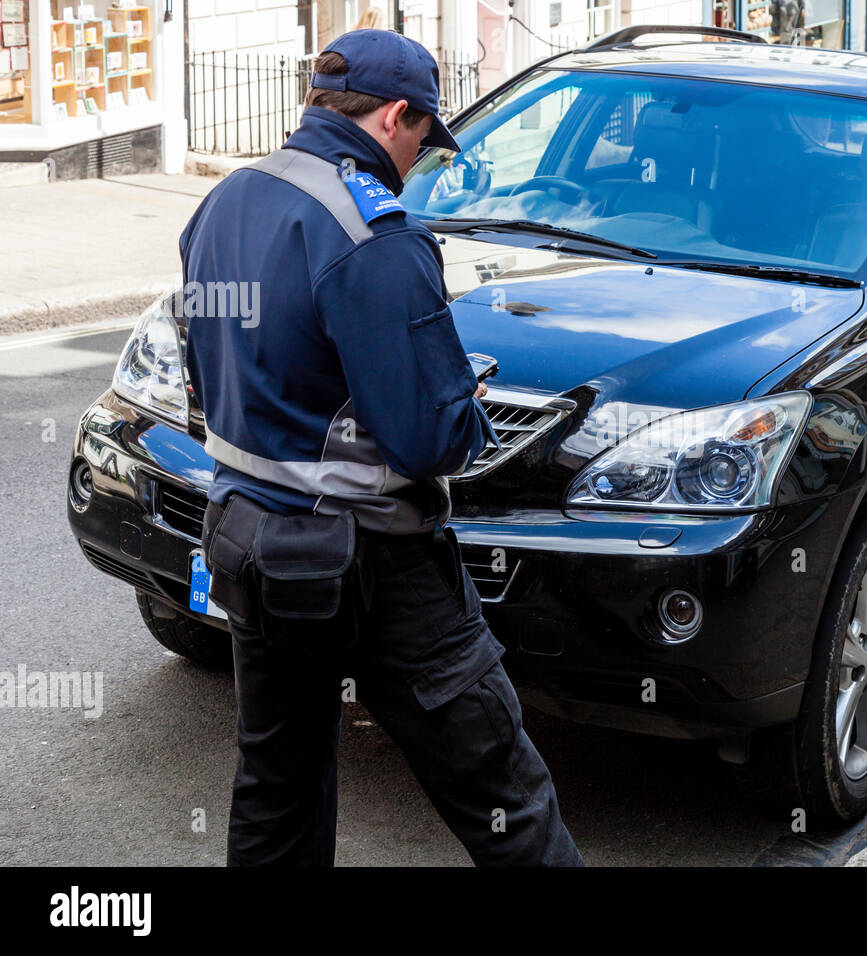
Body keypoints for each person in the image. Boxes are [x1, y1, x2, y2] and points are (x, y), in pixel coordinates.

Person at [180, 28, 583, 867]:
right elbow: (432, 439)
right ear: (396, 115)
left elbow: (211, 371)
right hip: (374, 562)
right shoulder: (376, 233)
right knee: (503, 793)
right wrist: (461, 400)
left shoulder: (229, 200)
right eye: (420, 140)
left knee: (276, 785)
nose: (415, 163)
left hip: (248, 537)